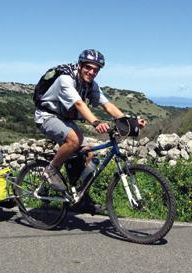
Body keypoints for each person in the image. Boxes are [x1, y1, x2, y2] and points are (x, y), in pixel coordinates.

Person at [34, 49, 147, 211]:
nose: (91, 72)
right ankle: (50, 171)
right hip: (46, 116)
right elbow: (79, 104)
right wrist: (95, 122)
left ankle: (79, 198)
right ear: (80, 65)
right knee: (74, 140)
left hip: (64, 119)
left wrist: (130, 122)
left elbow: (107, 105)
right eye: (88, 67)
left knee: (88, 155)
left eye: (96, 69)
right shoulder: (65, 80)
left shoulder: (91, 85)